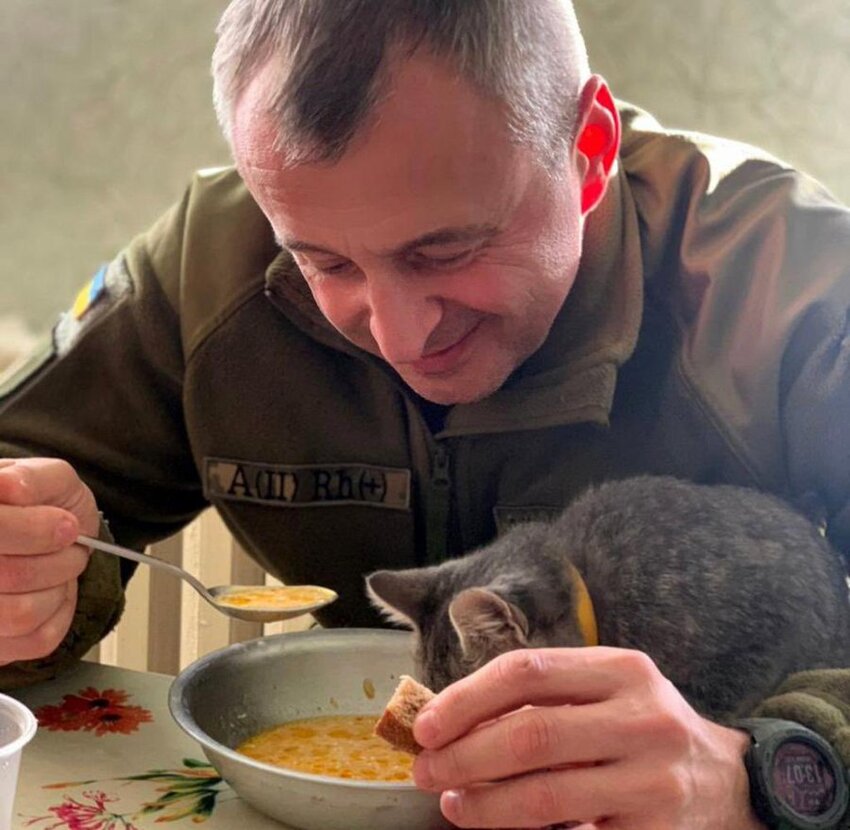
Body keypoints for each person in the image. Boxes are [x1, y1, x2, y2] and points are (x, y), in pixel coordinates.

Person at [1, 1, 849, 827]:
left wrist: (772, 772)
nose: (399, 334)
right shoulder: (206, 260)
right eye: (324, 264)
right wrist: (43, 580)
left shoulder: (794, 282)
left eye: (446, 250)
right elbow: (28, 473)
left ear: (588, 151)